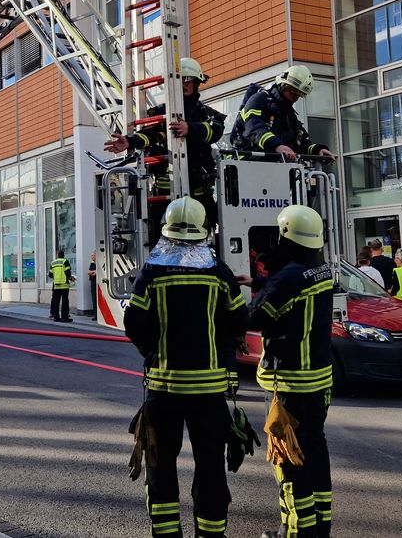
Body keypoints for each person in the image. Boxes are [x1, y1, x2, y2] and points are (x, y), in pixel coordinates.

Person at [124, 197, 249, 538]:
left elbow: (133, 324)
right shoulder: (219, 271)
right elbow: (240, 320)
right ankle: (210, 533)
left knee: (160, 465)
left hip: (163, 389)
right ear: (203, 229)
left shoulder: (152, 271)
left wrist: (152, 352)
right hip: (209, 392)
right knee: (210, 468)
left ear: (166, 230)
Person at [238, 205, 334, 538]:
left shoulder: (286, 280)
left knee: (287, 458)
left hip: (288, 384)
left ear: (286, 236)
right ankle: (320, 526)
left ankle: (294, 531)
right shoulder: (322, 270)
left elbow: (252, 317)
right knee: (315, 451)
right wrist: (261, 281)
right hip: (319, 382)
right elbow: (292, 288)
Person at [105, 57, 226, 235]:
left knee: (205, 237)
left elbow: (215, 130)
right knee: (159, 239)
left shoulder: (205, 113)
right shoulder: (162, 113)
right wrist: (130, 141)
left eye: (188, 79)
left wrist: (190, 129)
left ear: (197, 83)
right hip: (164, 197)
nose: (183, 84)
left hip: (199, 195)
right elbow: (149, 134)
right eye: (179, 79)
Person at [230, 65, 335, 163]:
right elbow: (254, 128)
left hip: (276, 168)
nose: (295, 98)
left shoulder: (288, 113)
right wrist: (277, 146)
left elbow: (300, 142)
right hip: (245, 163)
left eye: (300, 95)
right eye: (293, 93)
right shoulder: (258, 100)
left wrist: (317, 150)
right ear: (283, 86)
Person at [46, 250, 73, 322]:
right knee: (65, 301)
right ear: (63, 255)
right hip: (64, 285)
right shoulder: (65, 261)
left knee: (56, 302)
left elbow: (50, 275)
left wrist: (56, 276)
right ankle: (64, 317)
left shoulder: (53, 263)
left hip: (56, 285)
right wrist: (70, 278)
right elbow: (68, 272)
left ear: (57, 255)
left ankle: (56, 317)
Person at [87, 252, 97, 317]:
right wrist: (94, 271)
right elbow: (88, 272)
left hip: (97, 282)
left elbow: (97, 272)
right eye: (91, 255)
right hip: (93, 282)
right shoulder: (92, 264)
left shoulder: (98, 263)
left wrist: (93, 272)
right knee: (94, 298)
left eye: (93, 255)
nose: (92, 256)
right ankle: (95, 314)